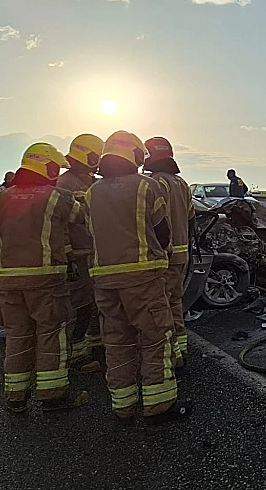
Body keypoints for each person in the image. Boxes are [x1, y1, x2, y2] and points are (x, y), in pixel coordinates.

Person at [86, 131, 189, 425]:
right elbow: (162, 232)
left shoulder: (93, 192)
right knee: (155, 337)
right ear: (133, 155)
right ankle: (158, 405)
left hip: (105, 279)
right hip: (143, 277)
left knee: (117, 342)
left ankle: (123, 405)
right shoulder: (146, 187)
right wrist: (162, 255)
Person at [0, 143, 86, 413]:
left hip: (9, 283)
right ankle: (52, 395)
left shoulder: (0, 198)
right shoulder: (57, 197)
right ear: (46, 167)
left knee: (17, 336)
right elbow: (83, 217)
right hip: (46, 279)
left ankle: (16, 396)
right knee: (51, 334)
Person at [143, 137, 195, 374]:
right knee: (175, 303)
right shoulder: (182, 183)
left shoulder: (155, 183)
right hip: (181, 254)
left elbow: (155, 222)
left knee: (161, 307)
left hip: (164, 254)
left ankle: (171, 355)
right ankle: (181, 350)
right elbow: (191, 217)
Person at [56, 134, 105, 365]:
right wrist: (69, 256)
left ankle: (94, 349)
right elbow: (61, 224)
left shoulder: (90, 182)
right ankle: (75, 354)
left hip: (94, 254)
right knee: (81, 305)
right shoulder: (65, 184)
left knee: (97, 303)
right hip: (79, 255)